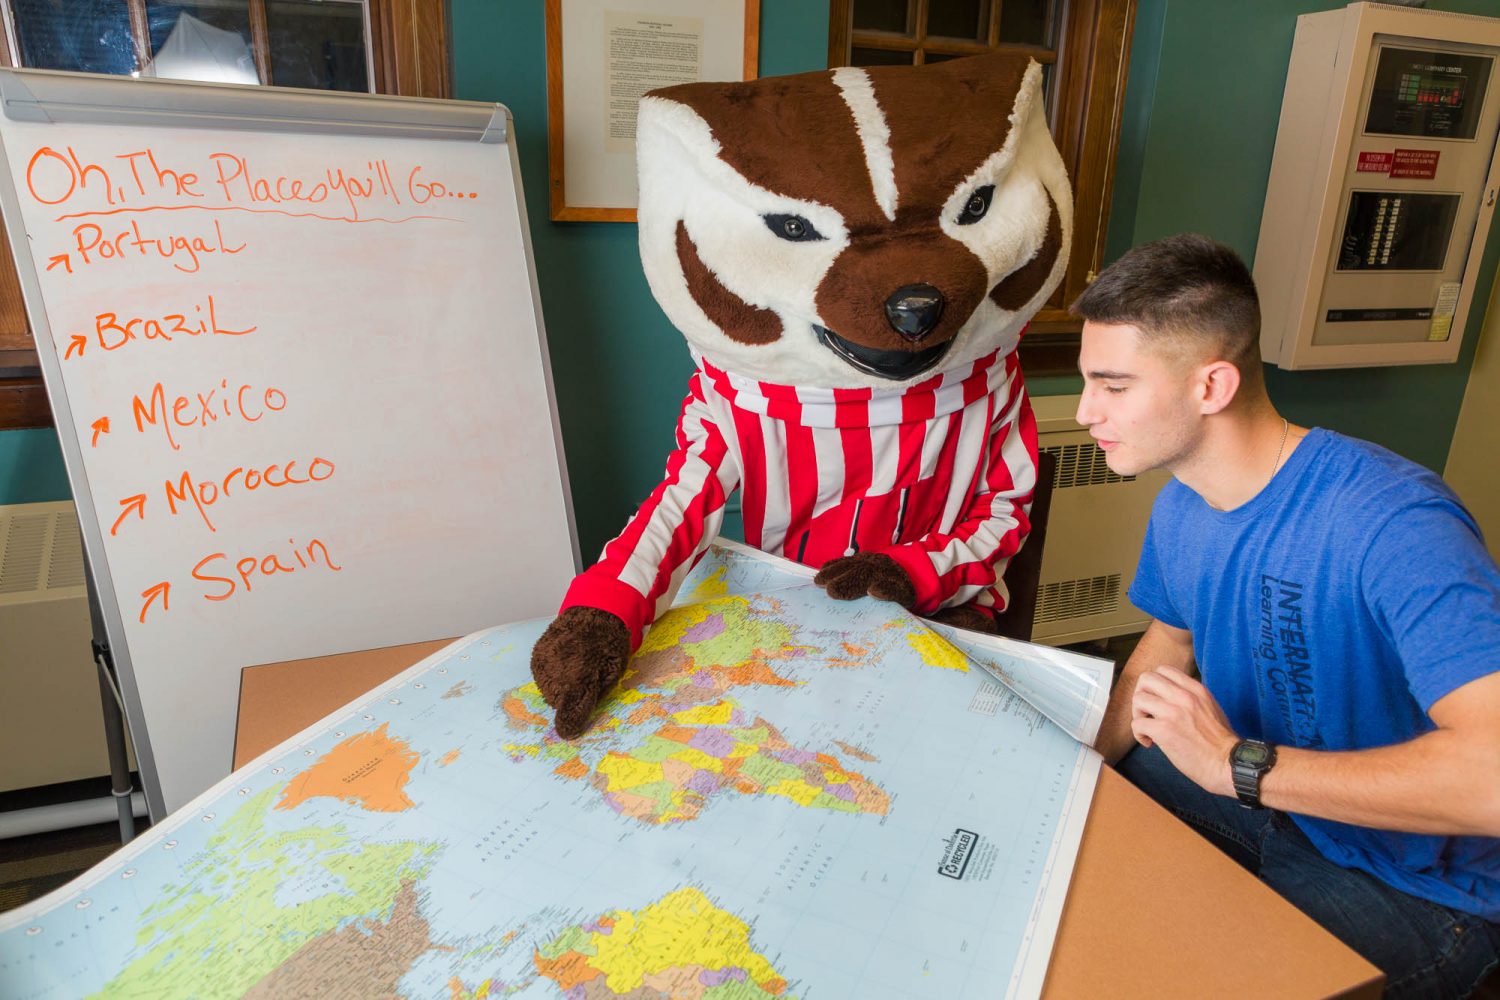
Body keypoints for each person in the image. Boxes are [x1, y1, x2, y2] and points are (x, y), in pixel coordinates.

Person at [1072, 233, 1500, 998]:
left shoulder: (1395, 522)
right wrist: (1075, 761)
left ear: (1211, 386)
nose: (1084, 412)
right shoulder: (1183, 505)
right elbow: (1169, 641)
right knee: (1083, 842)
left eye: (1113, 386)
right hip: (1270, 805)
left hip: (1414, 883)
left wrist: (1236, 765)